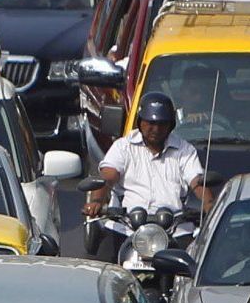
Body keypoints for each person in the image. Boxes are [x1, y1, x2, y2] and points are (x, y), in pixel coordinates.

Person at [85, 92, 212, 262]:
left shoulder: (185, 150)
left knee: (192, 271)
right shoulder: (123, 146)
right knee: (104, 273)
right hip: (126, 229)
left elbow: (197, 181)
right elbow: (109, 176)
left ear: (171, 125)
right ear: (140, 122)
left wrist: (211, 206)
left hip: (174, 230)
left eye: (162, 124)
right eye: (150, 123)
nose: (156, 129)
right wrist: (97, 201)